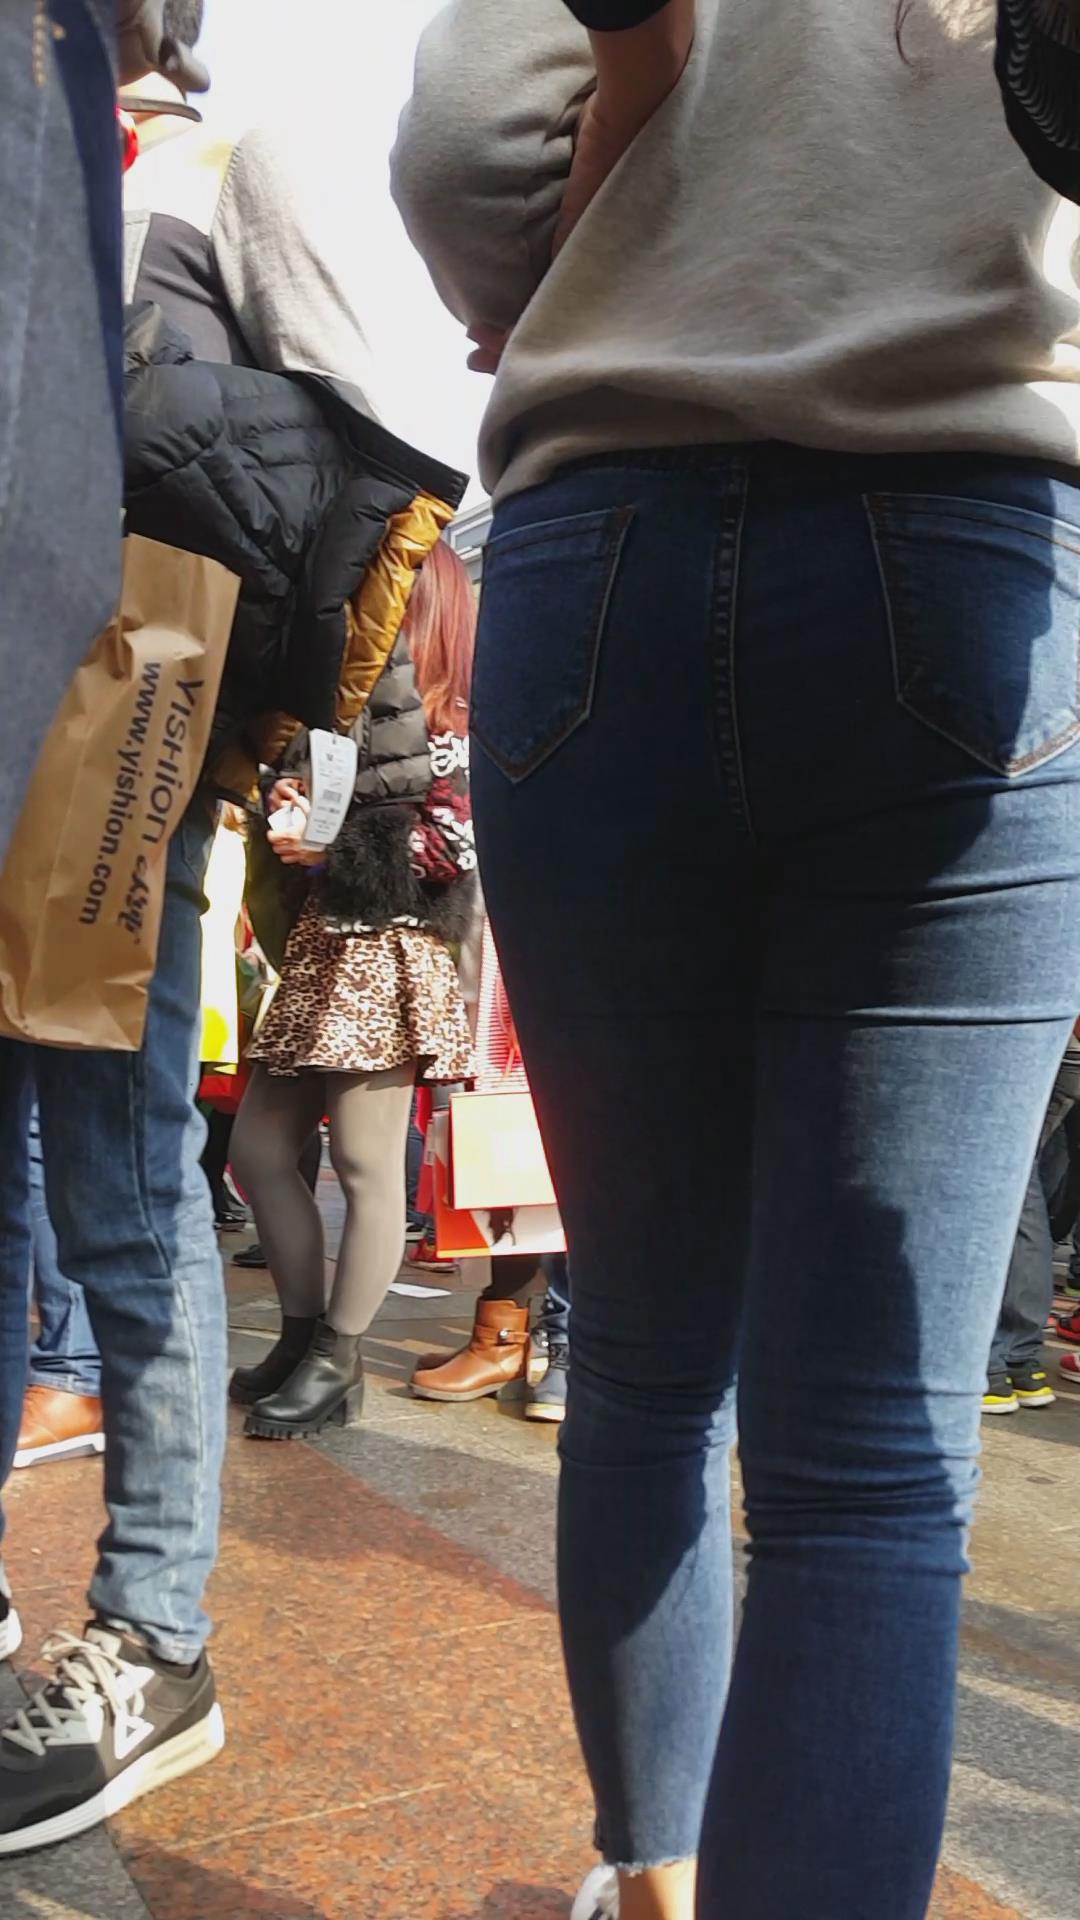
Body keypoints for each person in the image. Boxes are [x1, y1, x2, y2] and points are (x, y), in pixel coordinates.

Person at [393, 4, 1080, 1916]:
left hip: (596, 544)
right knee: (868, 1455)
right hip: (972, 522)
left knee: (638, 1350)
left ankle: (656, 1880)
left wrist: (586, 264)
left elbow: (465, 137)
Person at [0, 5, 464, 1854]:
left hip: (128, 748)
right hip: (14, 724)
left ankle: (156, 1629)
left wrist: (311, 737)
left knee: (130, 1185)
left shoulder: (227, 165)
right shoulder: (38, 152)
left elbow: (386, 459)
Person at [229, 541, 478, 1438]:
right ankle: (306, 1340)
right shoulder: (350, 710)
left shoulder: (454, 722)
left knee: (368, 1166)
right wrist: (298, 817)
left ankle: (338, 1359)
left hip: (390, 954)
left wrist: (331, 845)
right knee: (261, 1150)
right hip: (327, 949)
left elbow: (452, 850)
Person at [982, 1040, 1080, 1413]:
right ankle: (1018, 1362)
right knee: (1029, 1191)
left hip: (1049, 1047)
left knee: (1010, 1186)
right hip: (1063, 1051)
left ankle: (995, 1362)